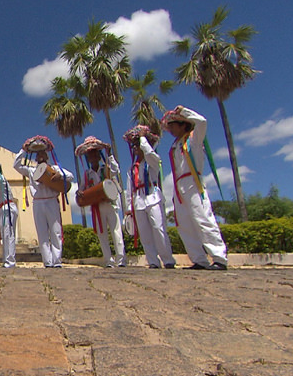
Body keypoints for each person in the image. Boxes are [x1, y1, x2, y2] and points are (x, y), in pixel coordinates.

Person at [163, 106, 228, 270]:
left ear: (183, 125)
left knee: (202, 218)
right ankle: (199, 259)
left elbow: (202, 122)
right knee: (184, 224)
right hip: (179, 185)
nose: (170, 129)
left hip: (193, 182)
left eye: (173, 125)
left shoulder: (193, 139)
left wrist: (184, 112)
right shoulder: (175, 145)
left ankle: (219, 258)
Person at [13, 137, 73, 268]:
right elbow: (16, 165)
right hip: (38, 203)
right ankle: (48, 261)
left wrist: (60, 176)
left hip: (52, 201)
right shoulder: (31, 170)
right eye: (38, 153)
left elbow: (70, 176)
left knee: (55, 231)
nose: (40, 155)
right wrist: (23, 150)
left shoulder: (55, 168)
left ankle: (57, 261)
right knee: (42, 233)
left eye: (42, 153)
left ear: (46, 155)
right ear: (35, 157)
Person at [123, 126, 176, 269]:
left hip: (152, 196)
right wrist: (129, 207)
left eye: (137, 145)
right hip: (138, 200)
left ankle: (168, 260)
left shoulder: (152, 161)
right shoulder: (132, 168)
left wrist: (143, 139)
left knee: (159, 228)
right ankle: (153, 261)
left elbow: (150, 154)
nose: (135, 148)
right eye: (133, 145)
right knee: (145, 233)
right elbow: (129, 189)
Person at [76, 137, 126, 268]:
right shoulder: (87, 174)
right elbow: (82, 189)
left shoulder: (107, 168)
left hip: (110, 203)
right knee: (102, 234)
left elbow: (116, 170)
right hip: (97, 206)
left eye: (94, 153)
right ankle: (109, 261)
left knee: (116, 231)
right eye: (90, 155)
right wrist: (79, 193)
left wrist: (109, 154)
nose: (92, 156)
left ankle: (121, 260)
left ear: (99, 155)